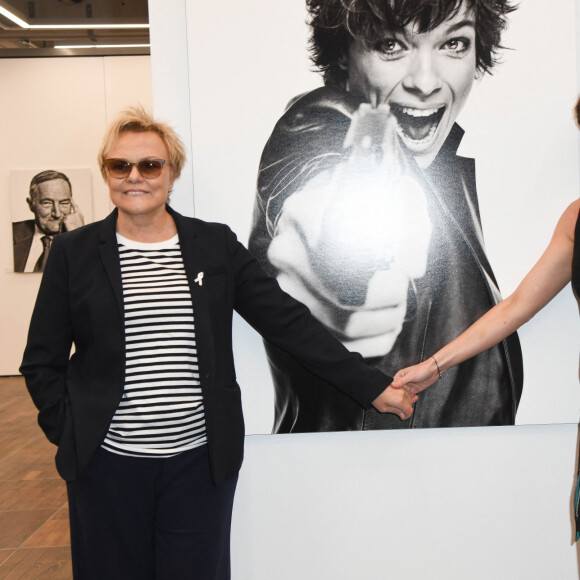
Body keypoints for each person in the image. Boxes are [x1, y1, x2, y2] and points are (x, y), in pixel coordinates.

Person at [19, 106, 416, 580]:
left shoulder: (213, 245)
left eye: (150, 165)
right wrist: (73, 432)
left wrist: (371, 386)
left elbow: (288, 323)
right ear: (107, 172)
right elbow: (40, 361)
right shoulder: (73, 254)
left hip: (198, 465)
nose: (134, 177)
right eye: (120, 166)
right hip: (107, 468)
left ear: (171, 173)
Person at [249, 0, 523, 433]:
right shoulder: (317, 123)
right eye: (391, 45)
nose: (426, 81)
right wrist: (341, 268)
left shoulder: (442, 164)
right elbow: (314, 187)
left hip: (459, 459)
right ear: (344, 53)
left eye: (454, 43)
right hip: (381, 461)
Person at [12, 170, 84, 272]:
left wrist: (78, 236)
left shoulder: (89, 239)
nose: (57, 214)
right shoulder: (9, 234)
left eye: (64, 203)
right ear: (31, 204)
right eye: (47, 203)